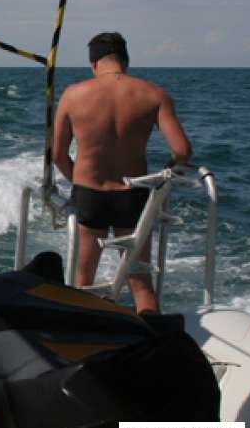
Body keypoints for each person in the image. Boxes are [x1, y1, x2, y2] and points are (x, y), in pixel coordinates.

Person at [53, 32, 191, 314]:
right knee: (140, 283)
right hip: (134, 195)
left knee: (85, 282)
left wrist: (78, 180)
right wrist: (160, 183)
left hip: (90, 195)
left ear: (93, 63)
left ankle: (89, 344)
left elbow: (57, 155)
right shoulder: (153, 94)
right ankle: (154, 345)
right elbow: (182, 151)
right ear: (125, 61)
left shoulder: (73, 95)